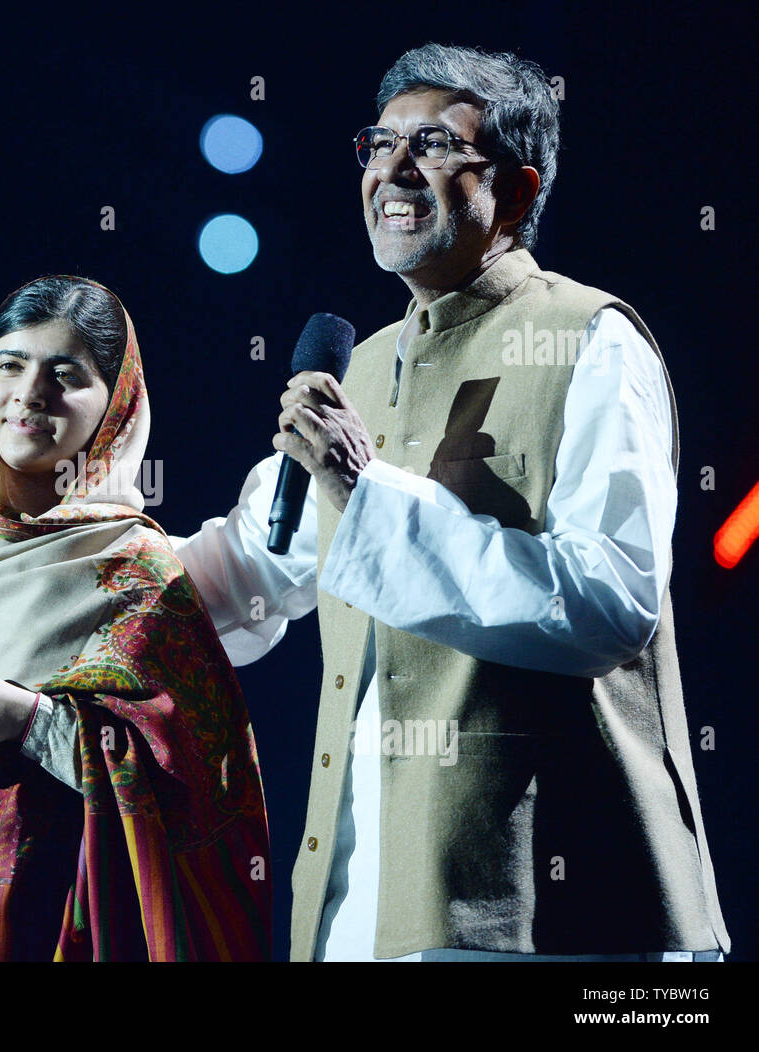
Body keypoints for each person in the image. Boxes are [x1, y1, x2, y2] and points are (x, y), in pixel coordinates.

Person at [171, 44, 730, 961]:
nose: (389, 169)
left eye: (431, 145)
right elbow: (249, 573)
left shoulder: (591, 338)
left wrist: (365, 489)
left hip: (553, 907)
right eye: (377, 142)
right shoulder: (362, 364)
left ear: (514, 191)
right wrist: (44, 571)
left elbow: (609, 602)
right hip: (364, 898)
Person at [0, 275, 272, 961]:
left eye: (65, 375)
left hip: (72, 927)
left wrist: (25, 720)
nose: (29, 394)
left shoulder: (137, 573)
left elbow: (200, 794)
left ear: (115, 407)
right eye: (9, 365)